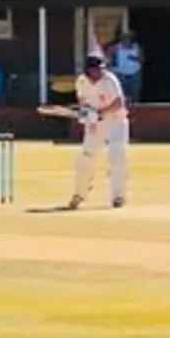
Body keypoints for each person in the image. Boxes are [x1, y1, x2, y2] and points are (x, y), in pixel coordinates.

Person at [67, 51, 130, 209]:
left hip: (116, 122)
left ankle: (118, 196)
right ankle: (80, 193)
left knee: (117, 156)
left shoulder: (109, 80)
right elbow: (83, 101)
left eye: (101, 68)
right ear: (88, 70)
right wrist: (87, 114)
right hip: (96, 125)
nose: (100, 71)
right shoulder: (81, 82)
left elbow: (119, 102)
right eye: (96, 69)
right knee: (85, 158)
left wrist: (101, 113)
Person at [108, 29, 143, 102]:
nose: (126, 40)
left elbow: (142, 59)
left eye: (128, 38)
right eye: (124, 38)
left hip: (134, 74)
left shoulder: (137, 47)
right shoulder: (116, 47)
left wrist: (134, 58)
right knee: (120, 95)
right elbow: (110, 59)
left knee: (135, 95)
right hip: (121, 75)